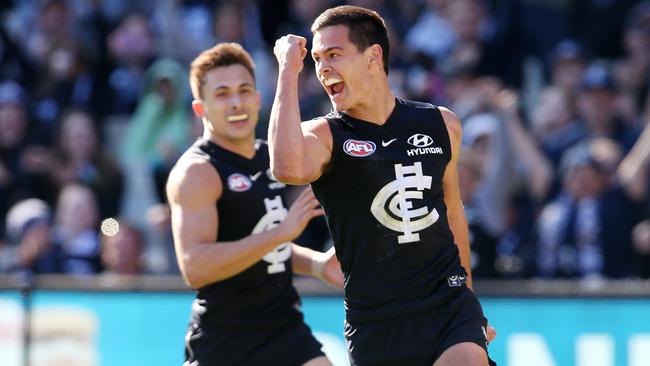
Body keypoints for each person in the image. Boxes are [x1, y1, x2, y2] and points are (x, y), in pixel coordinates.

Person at [269, 5, 496, 366]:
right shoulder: (324, 135)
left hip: (448, 306)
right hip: (376, 321)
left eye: (334, 54)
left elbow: (453, 215)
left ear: (373, 56)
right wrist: (286, 71)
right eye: (316, 58)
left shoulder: (441, 124)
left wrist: (470, 302)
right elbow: (286, 168)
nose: (323, 67)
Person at [166, 42, 342, 366]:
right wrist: (280, 233)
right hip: (225, 339)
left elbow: (261, 246)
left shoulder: (270, 157)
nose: (236, 103)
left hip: (285, 329)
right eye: (222, 94)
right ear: (200, 109)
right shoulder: (197, 171)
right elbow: (196, 268)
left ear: (258, 99)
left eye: (244, 90)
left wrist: (317, 264)